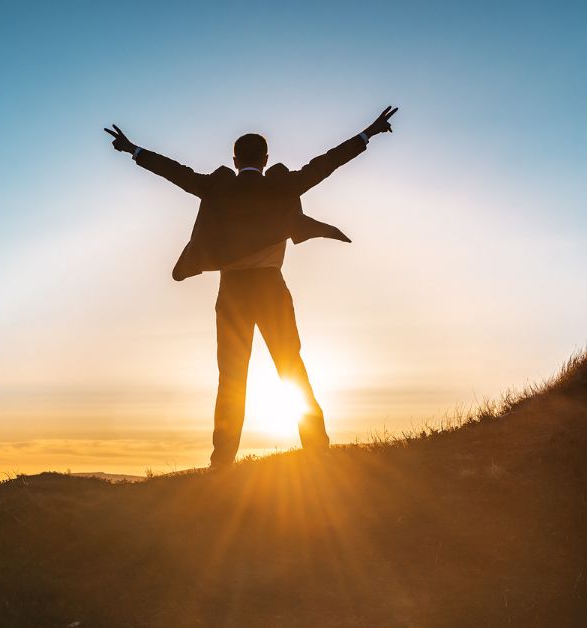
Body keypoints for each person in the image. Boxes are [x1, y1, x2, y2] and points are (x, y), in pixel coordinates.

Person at [105, 107, 398, 466]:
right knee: (291, 367)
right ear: (265, 159)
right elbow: (327, 163)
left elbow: (175, 173)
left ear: (234, 159)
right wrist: (368, 133)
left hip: (232, 293)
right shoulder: (281, 184)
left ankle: (223, 462)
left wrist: (133, 150)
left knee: (231, 378)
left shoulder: (217, 188)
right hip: (271, 288)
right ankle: (316, 448)